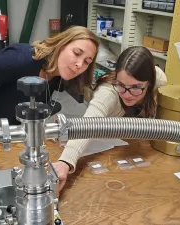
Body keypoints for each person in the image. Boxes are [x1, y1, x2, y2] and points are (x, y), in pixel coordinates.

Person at [0, 26, 100, 160]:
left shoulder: (57, 75)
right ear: (61, 45)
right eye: (77, 53)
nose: (79, 64)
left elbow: (35, 104)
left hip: (2, 134)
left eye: (87, 61)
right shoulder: (21, 59)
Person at [52, 46, 167, 191]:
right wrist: (64, 162)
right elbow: (87, 125)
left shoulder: (159, 80)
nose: (127, 94)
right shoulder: (107, 93)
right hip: (110, 147)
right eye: (121, 85)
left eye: (136, 87)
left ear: (149, 83)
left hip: (138, 146)